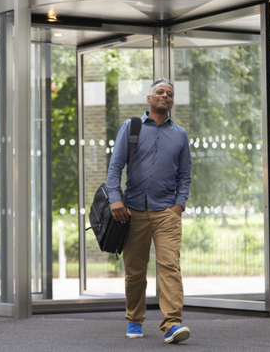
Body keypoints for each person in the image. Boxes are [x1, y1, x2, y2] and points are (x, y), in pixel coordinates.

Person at [106, 78, 192, 344]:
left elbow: (185, 175)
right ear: (149, 98)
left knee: (170, 267)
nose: (165, 96)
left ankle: (172, 324)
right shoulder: (130, 127)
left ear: (172, 101)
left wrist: (178, 205)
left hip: (167, 211)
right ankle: (134, 319)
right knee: (135, 270)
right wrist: (114, 199)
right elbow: (115, 166)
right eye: (159, 92)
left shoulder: (179, 134)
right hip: (132, 211)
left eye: (169, 93)